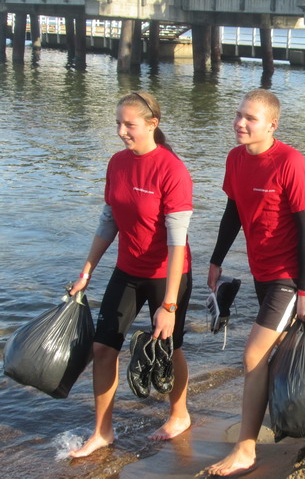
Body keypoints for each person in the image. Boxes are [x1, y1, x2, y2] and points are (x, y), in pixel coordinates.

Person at [68, 91, 193, 457]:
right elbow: (109, 221)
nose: (122, 131)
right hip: (127, 270)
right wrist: (86, 272)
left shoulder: (172, 170)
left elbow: (177, 244)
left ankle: (179, 414)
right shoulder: (117, 164)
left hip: (166, 274)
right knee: (103, 348)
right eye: (118, 124)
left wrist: (168, 305)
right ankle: (102, 432)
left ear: (152, 124)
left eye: (129, 125)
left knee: (171, 348)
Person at [205, 89, 305, 477]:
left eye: (250, 118)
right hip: (261, 273)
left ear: (272, 125)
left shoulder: (290, 162)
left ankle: (246, 449)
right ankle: (298, 417)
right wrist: (216, 259)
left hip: (287, 278)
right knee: (276, 356)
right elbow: (233, 211)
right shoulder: (236, 159)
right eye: (238, 114)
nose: (240, 123)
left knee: (253, 356)